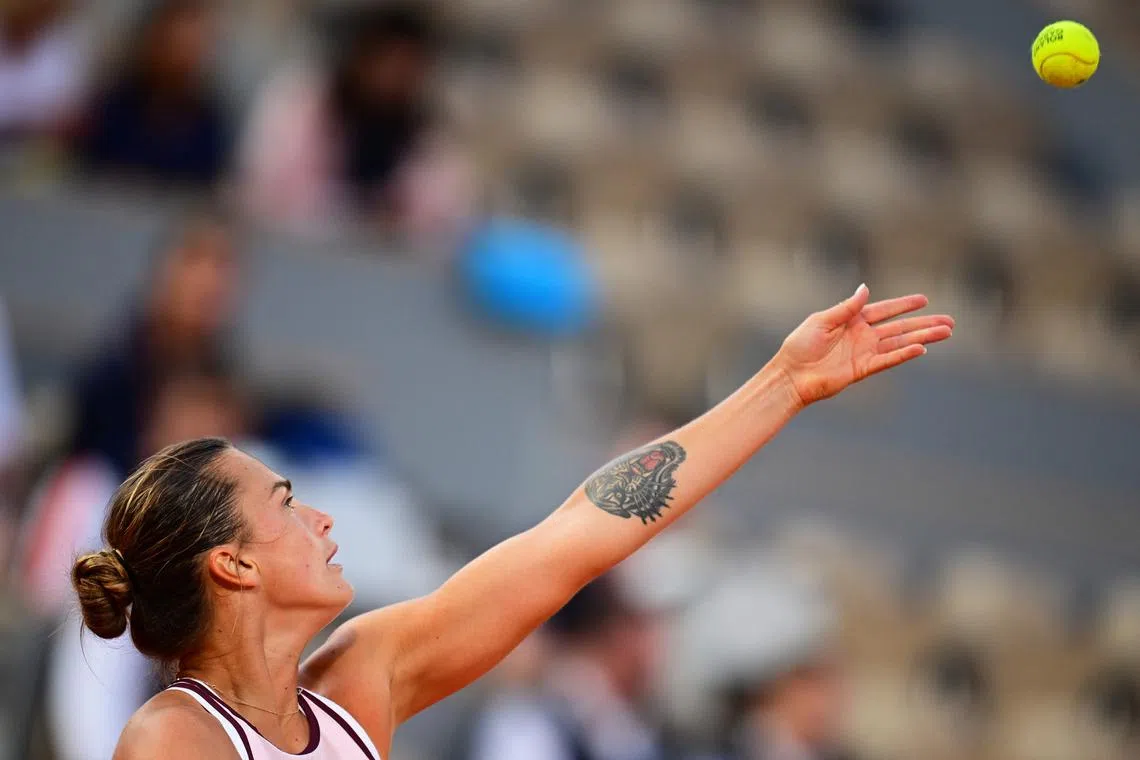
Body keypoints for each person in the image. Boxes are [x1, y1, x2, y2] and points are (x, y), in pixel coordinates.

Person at [70, 285, 953, 758]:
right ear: (234, 564)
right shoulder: (174, 740)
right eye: (288, 504)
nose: (324, 519)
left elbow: (579, 533)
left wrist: (781, 386)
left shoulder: (362, 674)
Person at [238, 3, 472, 245]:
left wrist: (397, 220)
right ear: (361, 57)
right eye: (386, 59)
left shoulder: (428, 136)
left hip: (384, 261)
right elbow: (262, 191)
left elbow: (447, 218)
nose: (393, 75)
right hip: (293, 249)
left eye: (406, 65)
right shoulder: (301, 106)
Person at [69, 210, 240, 476]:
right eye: (196, 258)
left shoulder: (228, 375)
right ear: (165, 266)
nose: (209, 280)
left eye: (223, 265)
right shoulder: (110, 379)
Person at [465, 575, 668, 760]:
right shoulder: (528, 722)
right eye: (644, 626)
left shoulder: (617, 713)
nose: (655, 643)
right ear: (617, 632)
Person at [76, 0, 230, 187]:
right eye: (175, 44)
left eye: (193, 48)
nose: (182, 59)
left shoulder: (207, 124)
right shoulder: (114, 107)